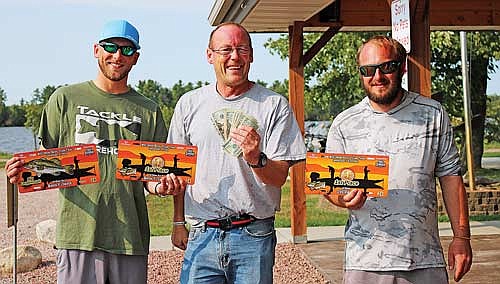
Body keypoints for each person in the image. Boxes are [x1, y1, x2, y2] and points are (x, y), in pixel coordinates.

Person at [4, 19, 184, 284]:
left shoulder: (149, 109)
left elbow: (150, 176)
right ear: (96, 50)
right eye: (110, 47)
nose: (117, 55)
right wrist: (22, 170)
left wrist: (162, 187)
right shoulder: (65, 98)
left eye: (126, 50)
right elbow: (42, 160)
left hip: (129, 236)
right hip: (78, 234)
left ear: (136, 57)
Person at [324, 35, 473, 283]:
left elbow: (451, 178)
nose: (377, 77)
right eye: (368, 70)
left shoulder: (433, 114)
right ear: (360, 73)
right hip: (365, 261)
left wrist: (462, 237)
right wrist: (343, 199)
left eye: (387, 67)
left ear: (402, 67)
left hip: (424, 259)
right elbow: (329, 186)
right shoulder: (345, 123)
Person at [167, 22, 306, 284]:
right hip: (202, 232)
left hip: (253, 235)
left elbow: (278, 178)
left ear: (251, 56)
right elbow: (179, 172)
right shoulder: (189, 103)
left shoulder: (274, 105)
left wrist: (257, 159)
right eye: (226, 49)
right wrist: (177, 222)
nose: (235, 57)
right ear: (209, 55)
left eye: (242, 49)